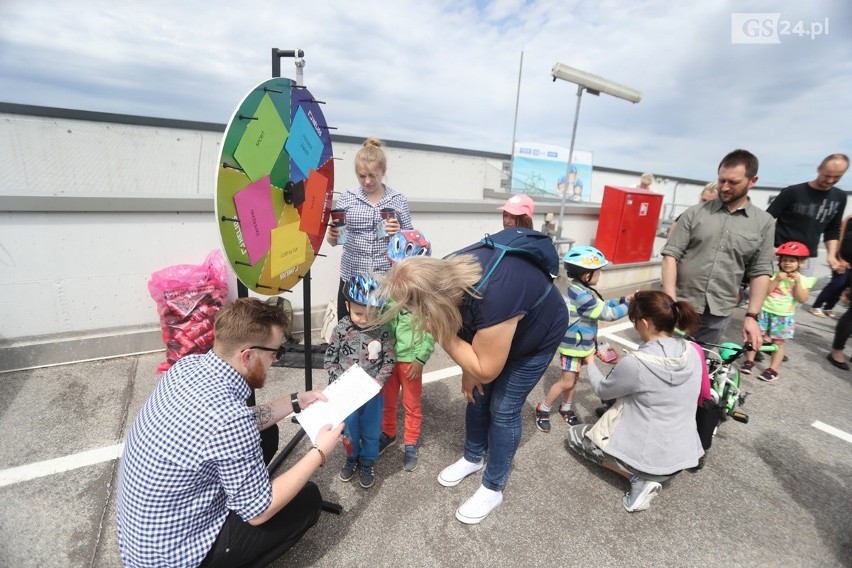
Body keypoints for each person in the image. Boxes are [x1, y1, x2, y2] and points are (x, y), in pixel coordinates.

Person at [116, 298, 343, 568]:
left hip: (146, 538)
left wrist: (296, 401)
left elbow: (242, 423)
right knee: (307, 500)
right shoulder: (230, 419)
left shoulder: (187, 367)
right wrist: (319, 452)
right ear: (247, 355)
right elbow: (259, 512)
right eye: (274, 353)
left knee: (266, 435)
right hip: (177, 560)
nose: (275, 360)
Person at [374, 232, 569, 524]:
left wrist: (439, 330)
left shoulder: (496, 294)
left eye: (417, 311)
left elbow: (486, 368)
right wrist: (469, 370)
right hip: (496, 329)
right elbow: (464, 323)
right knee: (476, 397)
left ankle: (493, 486)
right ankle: (473, 457)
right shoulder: (448, 274)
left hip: (536, 337)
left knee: (503, 408)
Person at [567, 290, 704, 512]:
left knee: (576, 436)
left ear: (645, 323)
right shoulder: (692, 351)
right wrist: (622, 364)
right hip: (683, 455)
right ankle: (647, 473)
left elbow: (604, 390)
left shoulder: (636, 363)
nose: (634, 327)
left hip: (649, 461)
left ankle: (637, 479)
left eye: (634, 322)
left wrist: (590, 362)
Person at [661, 149, 775, 347]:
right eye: (722, 180)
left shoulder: (763, 222)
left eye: (733, 182)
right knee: (665, 359)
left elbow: (761, 271)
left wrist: (752, 316)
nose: (725, 187)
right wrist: (671, 300)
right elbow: (671, 255)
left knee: (701, 364)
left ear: (752, 181)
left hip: (719, 311)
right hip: (683, 304)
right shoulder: (695, 213)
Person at [534, 246, 631, 431]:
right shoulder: (581, 295)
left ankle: (566, 408)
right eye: (599, 271)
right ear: (587, 276)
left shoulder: (580, 289)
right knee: (567, 382)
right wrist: (630, 307)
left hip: (580, 345)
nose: (600, 274)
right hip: (573, 347)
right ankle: (543, 408)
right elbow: (607, 313)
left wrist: (622, 300)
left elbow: (603, 304)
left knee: (574, 379)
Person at [325, 137, 413, 320]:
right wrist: (332, 236)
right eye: (362, 176)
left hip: (385, 277)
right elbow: (335, 241)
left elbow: (410, 244)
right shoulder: (347, 198)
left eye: (373, 175)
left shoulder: (398, 199)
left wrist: (398, 233)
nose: (367, 181)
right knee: (348, 324)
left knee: (383, 326)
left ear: (383, 172)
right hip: (352, 273)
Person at [324, 274, 395, 489]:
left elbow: (389, 360)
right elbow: (330, 358)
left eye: (371, 314)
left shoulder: (383, 331)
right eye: (358, 313)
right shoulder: (341, 329)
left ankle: (367, 462)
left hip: (372, 394)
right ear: (347, 305)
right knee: (349, 430)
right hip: (347, 394)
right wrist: (338, 380)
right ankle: (351, 458)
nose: (364, 319)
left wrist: (377, 382)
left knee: (372, 431)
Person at [379, 230, 436, 472]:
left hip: (411, 361)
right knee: (388, 401)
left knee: (412, 405)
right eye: (394, 269)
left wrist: (421, 359)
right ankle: (389, 433)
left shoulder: (424, 298)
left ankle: (410, 443)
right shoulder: (387, 293)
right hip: (390, 360)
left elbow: (432, 332)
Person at [739, 242, 816, 382]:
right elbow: (765, 292)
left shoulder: (804, 280)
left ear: (801, 263)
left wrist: (798, 283)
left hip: (784, 317)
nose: (787, 263)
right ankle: (749, 361)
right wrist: (777, 279)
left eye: (792, 261)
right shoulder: (773, 275)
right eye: (784, 260)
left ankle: (773, 369)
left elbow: (802, 299)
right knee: (753, 338)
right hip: (765, 312)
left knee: (778, 344)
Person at [767, 153, 849, 276]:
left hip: (807, 258)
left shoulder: (840, 197)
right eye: (827, 175)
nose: (830, 180)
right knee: (772, 293)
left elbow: (832, 230)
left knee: (800, 294)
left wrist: (831, 255)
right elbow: (765, 219)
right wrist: (769, 247)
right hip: (780, 254)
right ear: (819, 169)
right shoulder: (793, 192)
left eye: (837, 177)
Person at [810, 214, 852, 318]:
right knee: (837, 283)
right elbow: (839, 237)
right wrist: (840, 258)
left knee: (844, 285)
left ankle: (829, 307)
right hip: (842, 257)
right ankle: (816, 306)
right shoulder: (850, 219)